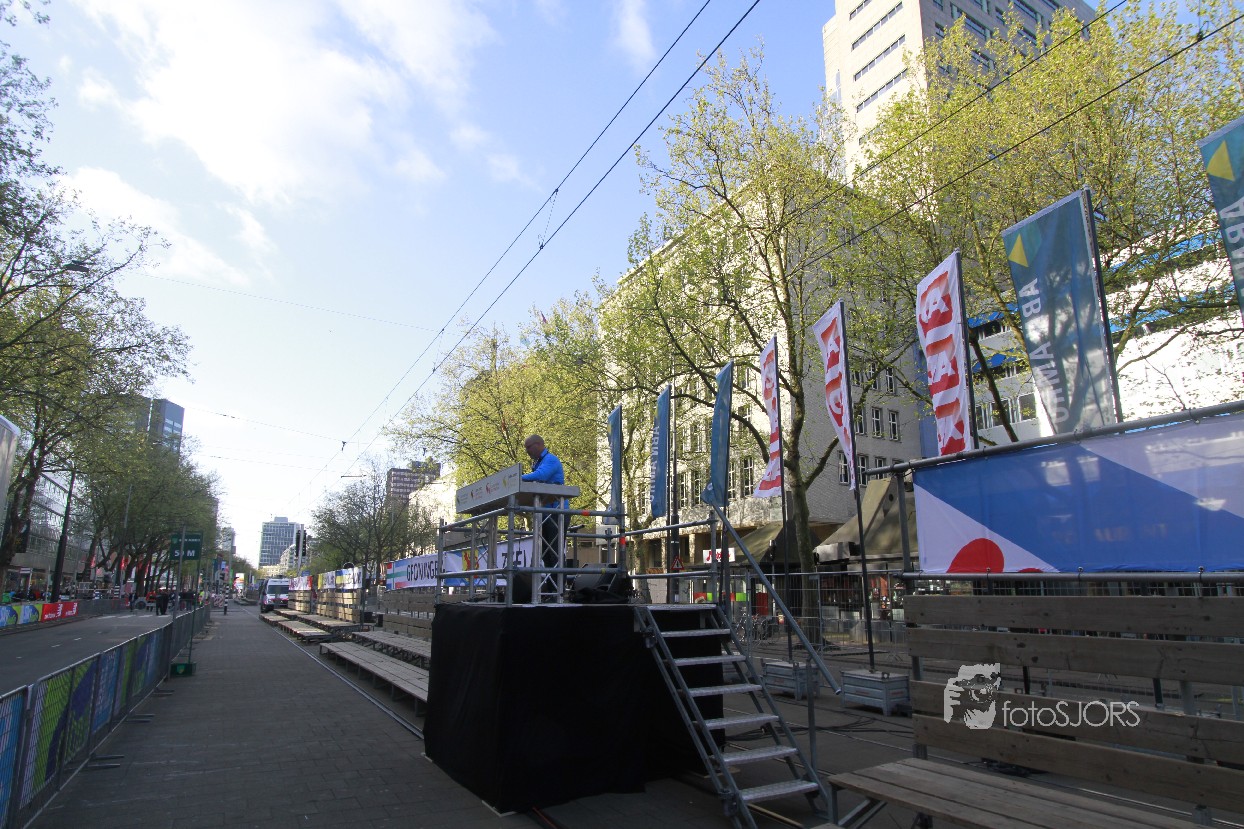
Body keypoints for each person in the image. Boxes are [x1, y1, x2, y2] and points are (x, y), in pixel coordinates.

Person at [521, 434, 567, 571]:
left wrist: (517, 478)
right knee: (545, 553)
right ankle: (551, 582)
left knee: (555, 552)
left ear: (539, 444)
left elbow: (541, 475)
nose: (527, 451)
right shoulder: (539, 462)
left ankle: (558, 583)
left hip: (557, 512)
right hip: (546, 512)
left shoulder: (550, 459)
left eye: (528, 447)